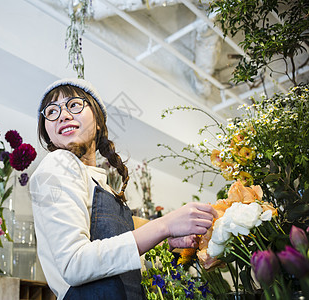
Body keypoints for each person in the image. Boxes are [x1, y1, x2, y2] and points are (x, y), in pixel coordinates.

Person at [29, 78, 217, 300]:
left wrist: (167, 244)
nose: (63, 115)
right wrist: (164, 225)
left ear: (98, 121)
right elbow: (74, 263)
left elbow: (120, 267)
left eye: (74, 105)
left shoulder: (103, 186)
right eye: (51, 111)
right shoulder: (57, 164)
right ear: (47, 131)